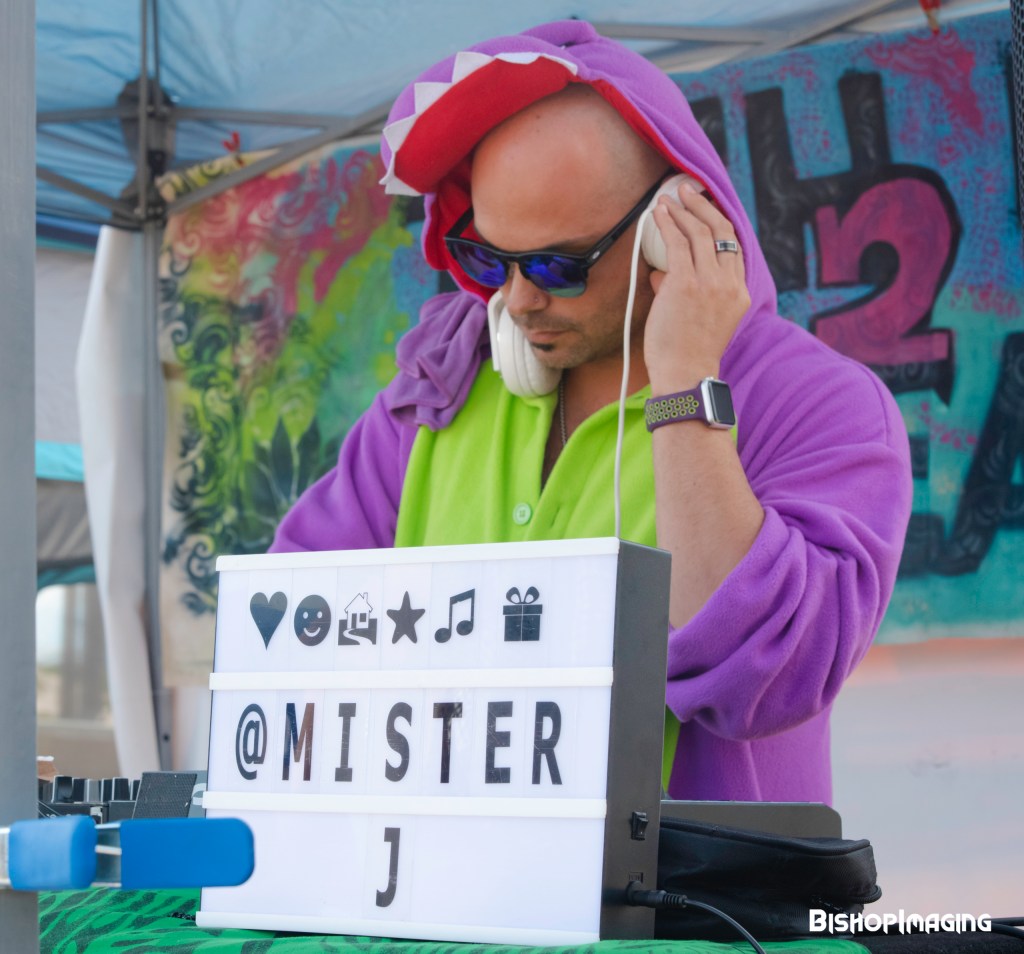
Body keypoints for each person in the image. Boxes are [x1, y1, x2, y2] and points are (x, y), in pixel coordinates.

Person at [270, 20, 912, 804]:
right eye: (487, 256)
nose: (516, 300)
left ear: (672, 228)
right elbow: (294, 625)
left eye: (557, 264)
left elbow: (766, 679)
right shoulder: (443, 384)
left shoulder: (819, 406)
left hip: (688, 887)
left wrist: (685, 387)